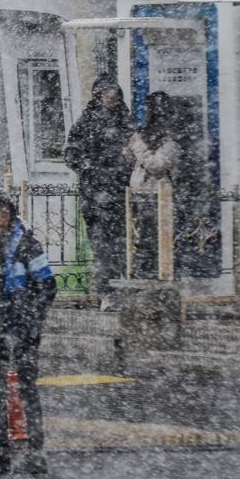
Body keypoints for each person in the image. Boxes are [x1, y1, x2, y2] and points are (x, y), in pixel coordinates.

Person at [0, 186, 56, 475]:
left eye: (3, 213)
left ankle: (36, 454)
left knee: (28, 389)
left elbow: (47, 285)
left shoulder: (27, 244)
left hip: (24, 328)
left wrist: (31, 320)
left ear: (11, 214)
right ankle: (1, 454)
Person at [65, 74, 135, 310]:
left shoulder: (125, 120)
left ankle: (124, 289)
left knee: (124, 244)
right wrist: (93, 169)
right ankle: (107, 292)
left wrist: (125, 163)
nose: (110, 98)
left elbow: (135, 151)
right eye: (106, 94)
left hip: (122, 193)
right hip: (96, 195)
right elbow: (71, 155)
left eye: (113, 94)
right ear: (98, 96)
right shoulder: (86, 122)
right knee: (103, 245)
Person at [124, 91, 182, 278]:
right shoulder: (147, 136)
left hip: (158, 195)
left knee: (155, 238)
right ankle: (143, 271)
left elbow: (156, 166)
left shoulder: (170, 142)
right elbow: (137, 162)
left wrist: (138, 146)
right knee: (142, 237)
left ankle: (154, 273)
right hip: (141, 193)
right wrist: (130, 150)